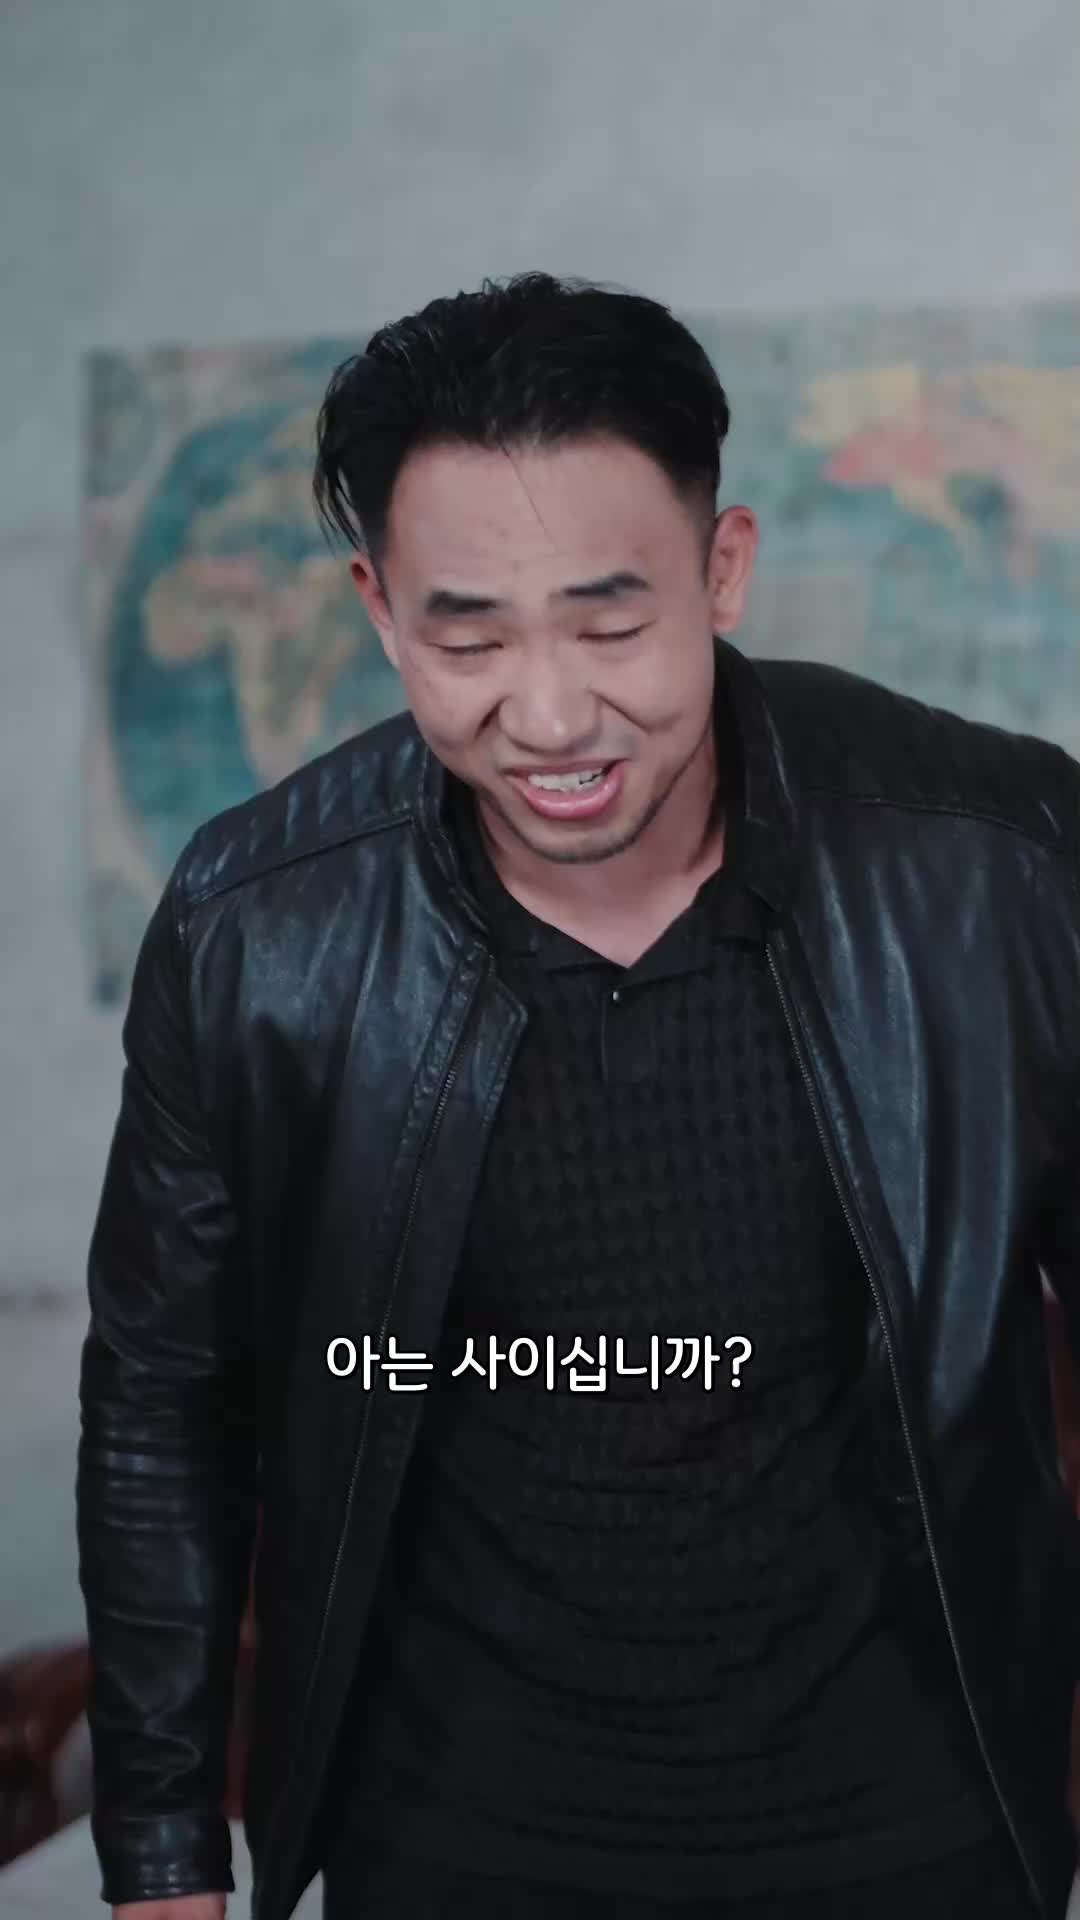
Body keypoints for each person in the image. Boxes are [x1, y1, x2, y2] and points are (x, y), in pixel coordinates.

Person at [76, 270, 1080, 1920]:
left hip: (915, 1830)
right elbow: (166, 1406)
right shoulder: (257, 927)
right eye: (467, 637)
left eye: (611, 626)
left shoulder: (1000, 863)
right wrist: (165, 1854)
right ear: (380, 610)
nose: (547, 718)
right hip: (452, 1849)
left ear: (724, 568)